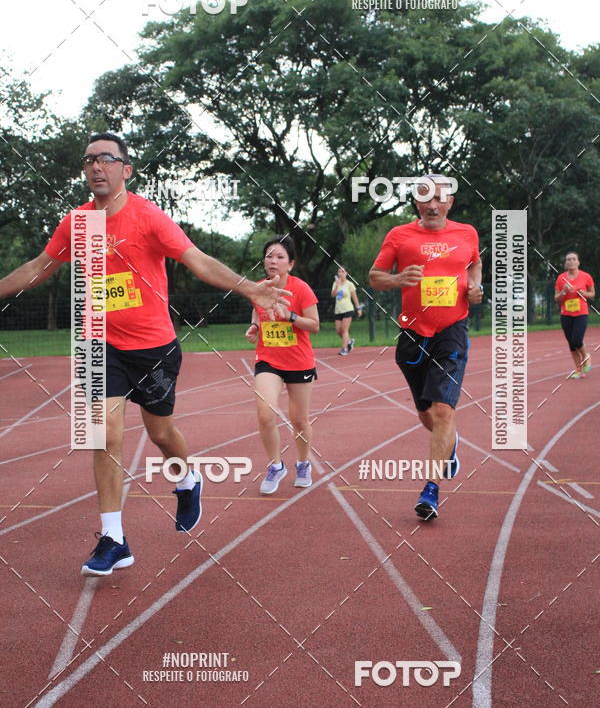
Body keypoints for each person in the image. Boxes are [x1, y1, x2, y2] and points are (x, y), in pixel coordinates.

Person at [0, 132, 290, 575]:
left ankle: (188, 479)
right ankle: (114, 538)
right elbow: (38, 267)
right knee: (104, 433)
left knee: (161, 433)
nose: (96, 166)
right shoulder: (76, 222)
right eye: (89, 160)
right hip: (100, 344)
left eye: (106, 159)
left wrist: (251, 288)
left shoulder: (148, 217)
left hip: (153, 347)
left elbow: (198, 260)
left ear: (125, 169)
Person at [369, 175, 483, 521]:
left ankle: (431, 489)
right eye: (425, 198)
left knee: (443, 411)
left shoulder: (467, 233)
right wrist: (397, 279)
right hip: (413, 332)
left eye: (439, 198)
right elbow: (375, 276)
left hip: (452, 330)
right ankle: (449, 442)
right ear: (416, 203)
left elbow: (474, 263)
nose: (432, 204)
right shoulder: (400, 235)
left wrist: (474, 286)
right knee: (426, 415)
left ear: (450, 202)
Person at [245, 237, 320, 494]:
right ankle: (276, 466)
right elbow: (258, 310)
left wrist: (291, 317)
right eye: (268, 256)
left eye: (279, 257)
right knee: (265, 413)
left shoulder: (302, 289)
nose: (272, 261)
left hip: (299, 360)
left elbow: (315, 325)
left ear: (291, 263)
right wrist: (255, 325)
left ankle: (303, 463)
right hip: (268, 359)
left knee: (298, 420)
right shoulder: (258, 288)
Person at [554, 251, 595, 378]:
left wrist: (583, 292)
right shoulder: (561, 278)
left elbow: (592, 294)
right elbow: (556, 298)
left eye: (573, 259)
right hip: (566, 313)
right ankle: (578, 370)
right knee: (571, 344)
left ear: (578, 262)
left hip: (581, 313)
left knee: (577, 339)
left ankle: (586, 356)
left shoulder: (586, 276)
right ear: (565, 264)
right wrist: (564, 292)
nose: (571, 261)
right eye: (568, 259)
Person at [331, 266, 363, 354]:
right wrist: (337, 286)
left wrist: (358, 308)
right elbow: (333, 295)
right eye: (339, 272)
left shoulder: (350, 284)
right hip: (338, 310)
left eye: (342, 271)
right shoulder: (335, 283)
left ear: (346, 273)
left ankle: (344, 349)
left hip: (348, 309)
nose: (341, 273)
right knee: (338, 330)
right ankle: (349, 341)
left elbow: (354, 297)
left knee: (344, 330)